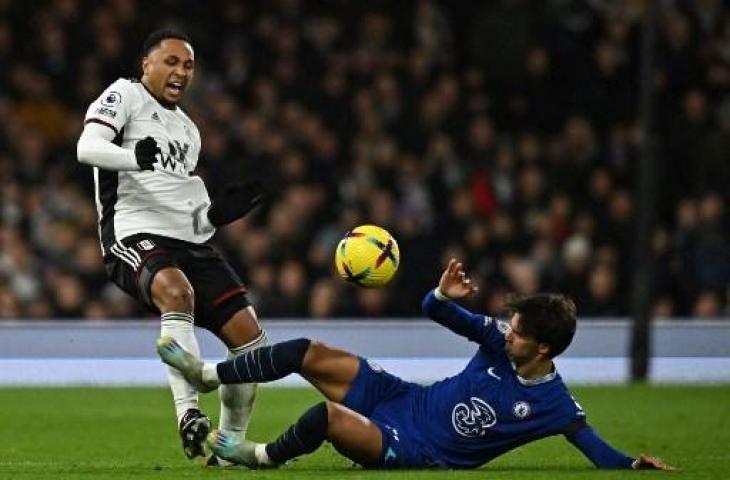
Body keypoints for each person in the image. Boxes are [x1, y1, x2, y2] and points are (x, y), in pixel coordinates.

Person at [157, 259, 673, 471]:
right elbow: (436, 312)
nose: (506, 331)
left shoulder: (554, 404)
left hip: (414, 449)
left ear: (543, 349)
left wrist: (632, 466)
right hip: (400, 398)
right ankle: (205, 375)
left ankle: (261, 456)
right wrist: (441, 294)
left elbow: (597, 450)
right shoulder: (498, 342)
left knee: (324, 418)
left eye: (518, 332)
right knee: (305, 351)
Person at [76, 29, 268, 465]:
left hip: (188, 241)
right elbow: (86, 147)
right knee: (177, 292)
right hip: (132, 234)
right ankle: (189, 416)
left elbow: (192, 213)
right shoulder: (124, 95)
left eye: (188, 65)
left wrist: (218, 215)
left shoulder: (188, 131)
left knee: (250, 338)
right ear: (146, 64)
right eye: (171, 61)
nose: (180, 71)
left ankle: (228, 447)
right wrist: (132, 158)